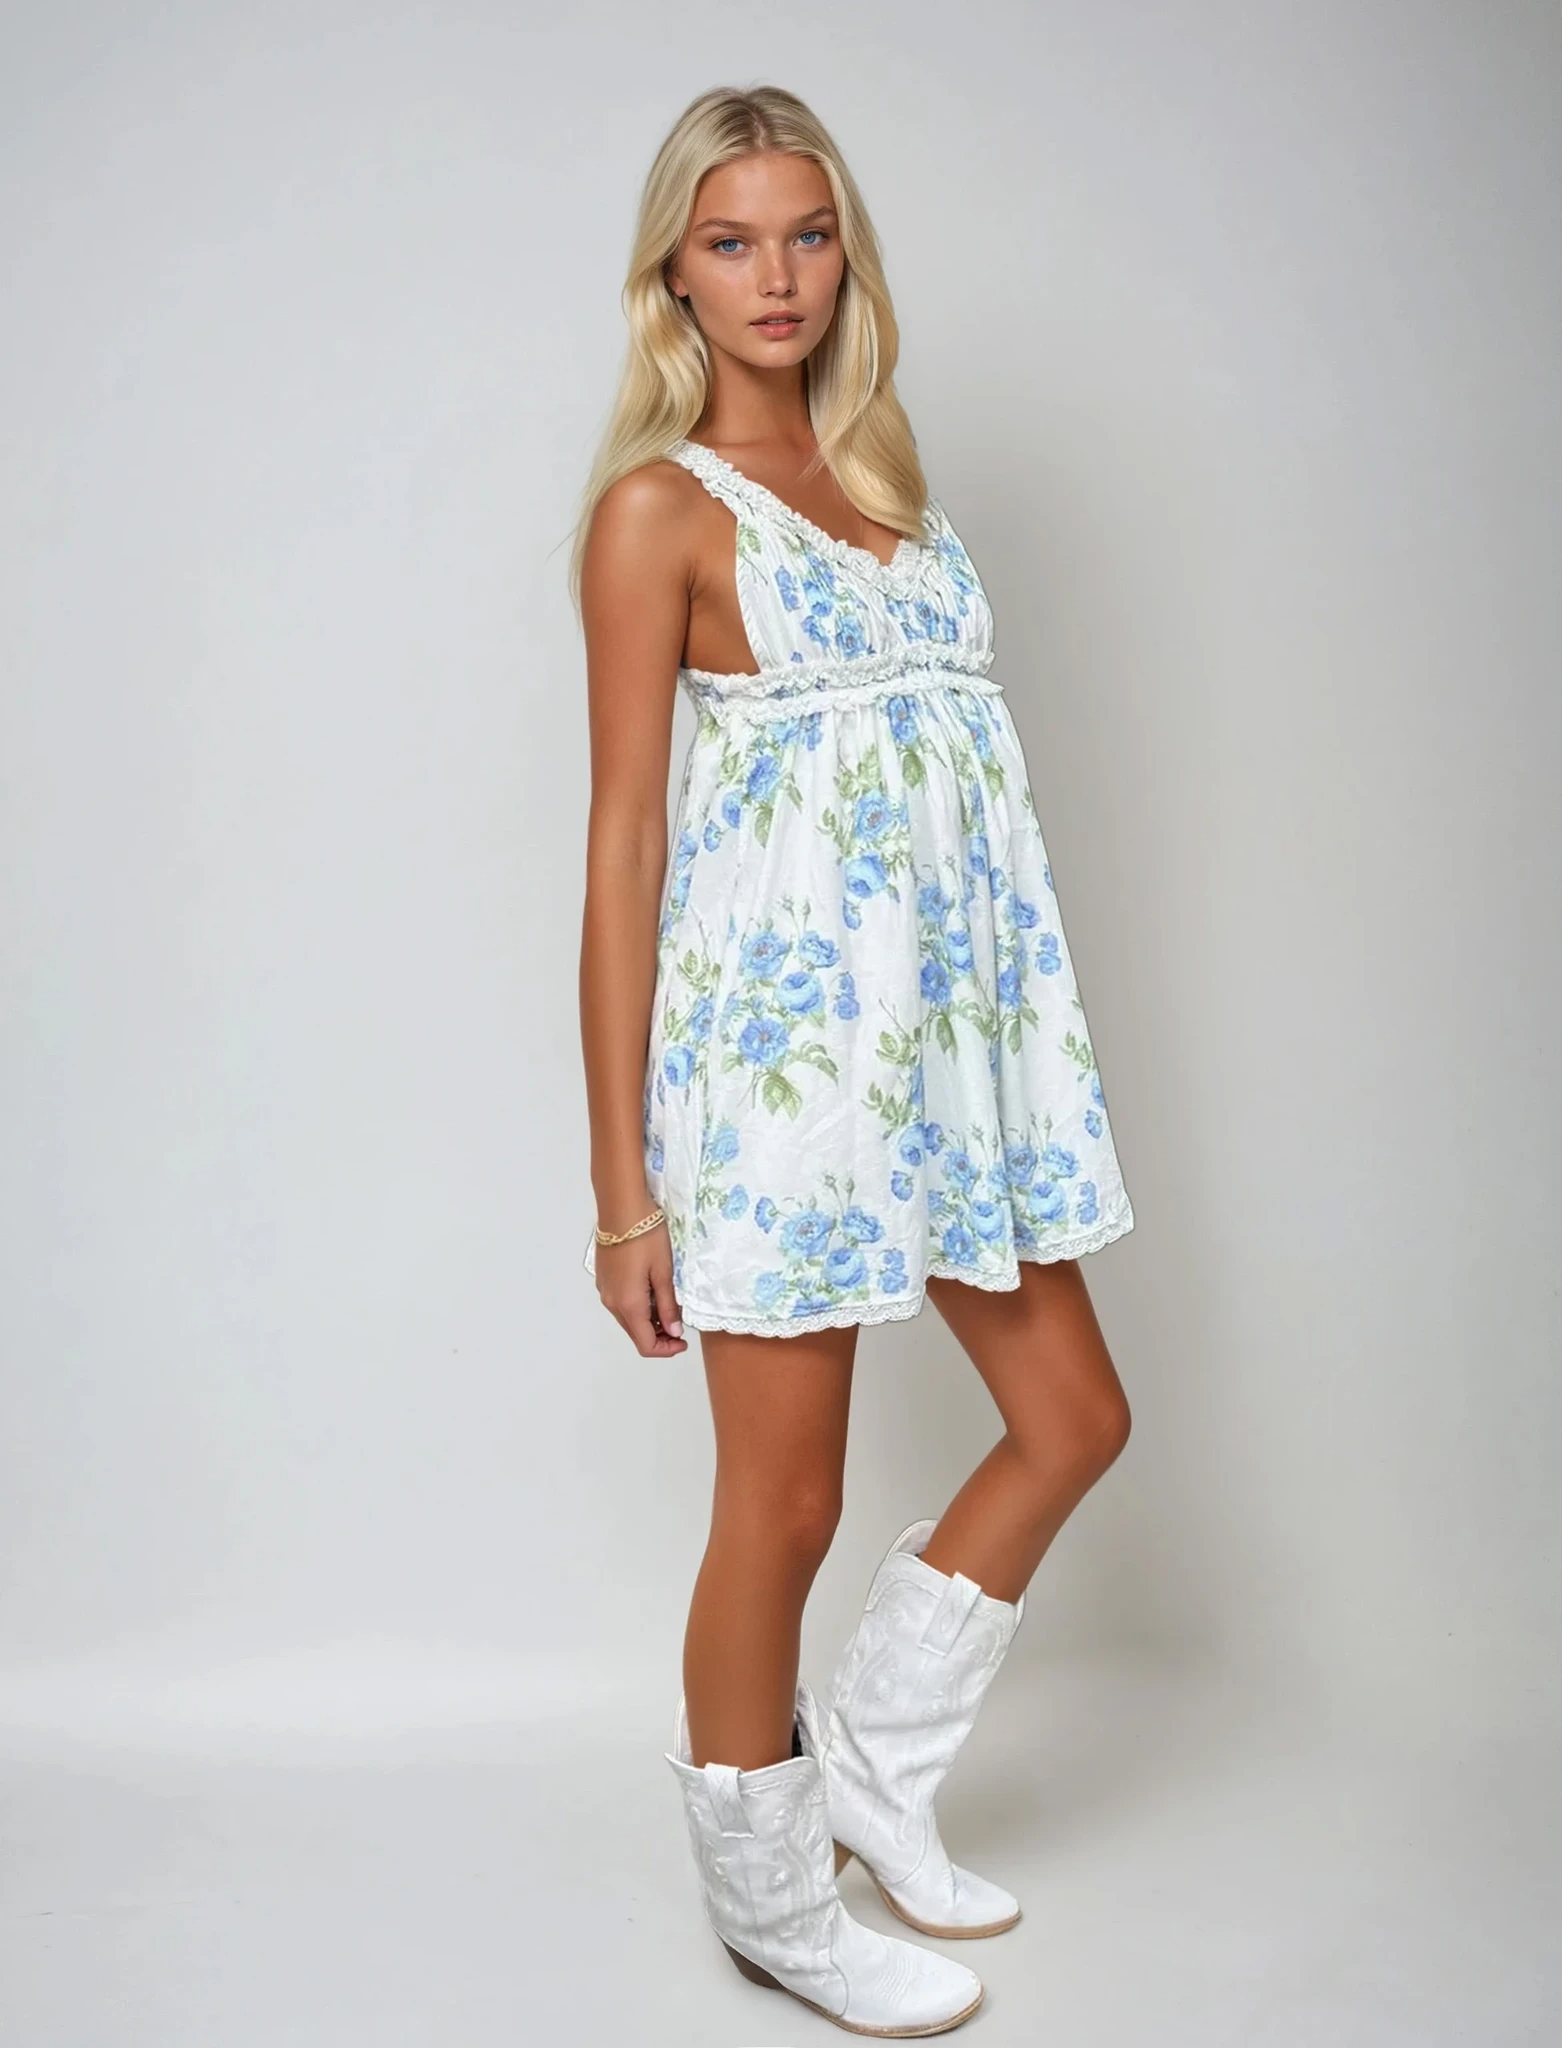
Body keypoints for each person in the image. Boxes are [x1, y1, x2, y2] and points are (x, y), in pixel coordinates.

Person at [572, 83, 1137, 2038]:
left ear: (845, 253)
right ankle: (768, 1904)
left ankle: (876, 1778)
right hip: (784, 1070)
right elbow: (624, 846)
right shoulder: (659, 513)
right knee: (783, 1503)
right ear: (673, 272)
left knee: (1074, 1417)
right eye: (730, 241)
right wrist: (622, 1189)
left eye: (806, 233)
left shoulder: (891, 491)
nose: (776, 275)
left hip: (956, 1063)